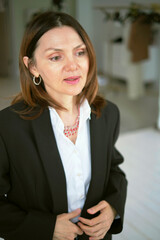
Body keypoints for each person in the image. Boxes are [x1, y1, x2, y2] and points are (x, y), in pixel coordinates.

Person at [0, 11, 127, 240]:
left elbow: (113, 169)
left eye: (79, 53)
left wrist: (112, 207)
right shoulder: (7, 127)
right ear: (32, 67)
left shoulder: (108, 114)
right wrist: (45, 228)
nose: (73, 66)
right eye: (56, 57)